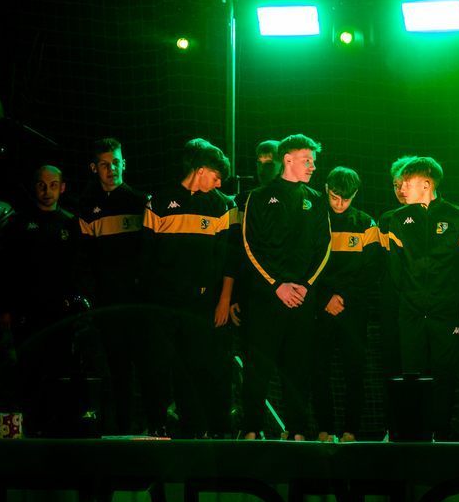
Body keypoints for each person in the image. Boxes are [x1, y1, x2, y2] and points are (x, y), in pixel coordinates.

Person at [141, 139, 236, 437]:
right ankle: (156, 426)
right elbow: (146, 257)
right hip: (162, 303)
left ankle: (194, 430)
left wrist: (223, 300)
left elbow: (227, 260)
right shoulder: (159, 201)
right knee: (157, 365)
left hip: (200, 305)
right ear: (201, 170)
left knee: (195, 367)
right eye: (216, 177)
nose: (219, 184)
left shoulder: (221, 205)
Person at [240, 134, 330, 440]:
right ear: (288, 160)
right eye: (307, 160)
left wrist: (305, 286)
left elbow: (324, 248)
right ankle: (251, 430)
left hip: (302, 300)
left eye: (313, 161)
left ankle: (297, 432)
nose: (313, 166)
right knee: (258, 368)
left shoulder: (316, 199)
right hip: (266, 300)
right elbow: (249, 246)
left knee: (298, 369)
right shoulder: (259, 196)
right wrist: (276, 285)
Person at [384, 156, 459, 439]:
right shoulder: (397, 220)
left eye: (407, 183)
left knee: (444, 374)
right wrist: (406, 302)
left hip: (446, 310)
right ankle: (414, 435)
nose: (402, 189)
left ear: (426, 184)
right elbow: (395, 271)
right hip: (411, 310)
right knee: (411, 374)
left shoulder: (458, 217)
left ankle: (442, 434)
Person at [0, 165, 83, 435]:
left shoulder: (70, 223)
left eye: (53, 184)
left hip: (60, 314)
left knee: (58, 372)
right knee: (29, 372)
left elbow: (78, 269)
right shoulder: (18, 224)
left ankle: (57, 432)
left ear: (62, 187)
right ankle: (31, 430)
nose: (47, 191)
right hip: (28, 313)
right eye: (41, 185)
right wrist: (6, 310)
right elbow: (7, 270)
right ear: (34, 186)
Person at [76, 137, 150, 433]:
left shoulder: (142, 202)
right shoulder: (86, 208)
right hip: (106, 305)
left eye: (116, 162)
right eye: (105, 164)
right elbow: (84, 260)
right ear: (94, 168)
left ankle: (151, 429)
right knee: (116, 369)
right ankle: (121, 432)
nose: (112, 169)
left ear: (124, 164)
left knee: (146, 367)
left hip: (139, 303)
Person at [310, 167, 380, 442]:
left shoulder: (366, 223)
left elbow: (372, 270)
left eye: (346, 199)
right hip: (320, 310)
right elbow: (305, 264)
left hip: (354, 310)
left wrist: (343, 298)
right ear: (326, 189)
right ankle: (324, 429)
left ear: (356, 194)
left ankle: (351, 430)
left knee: (355, 371)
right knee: (319, 370)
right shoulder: (313, 219)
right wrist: (325, 298)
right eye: (335, 197)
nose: (339, 204)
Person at [377, 155, 416, 383]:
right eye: (395, 184)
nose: (400, 190)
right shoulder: (386, 220)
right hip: (393, 302)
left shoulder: (443, 218)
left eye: (405, 183)